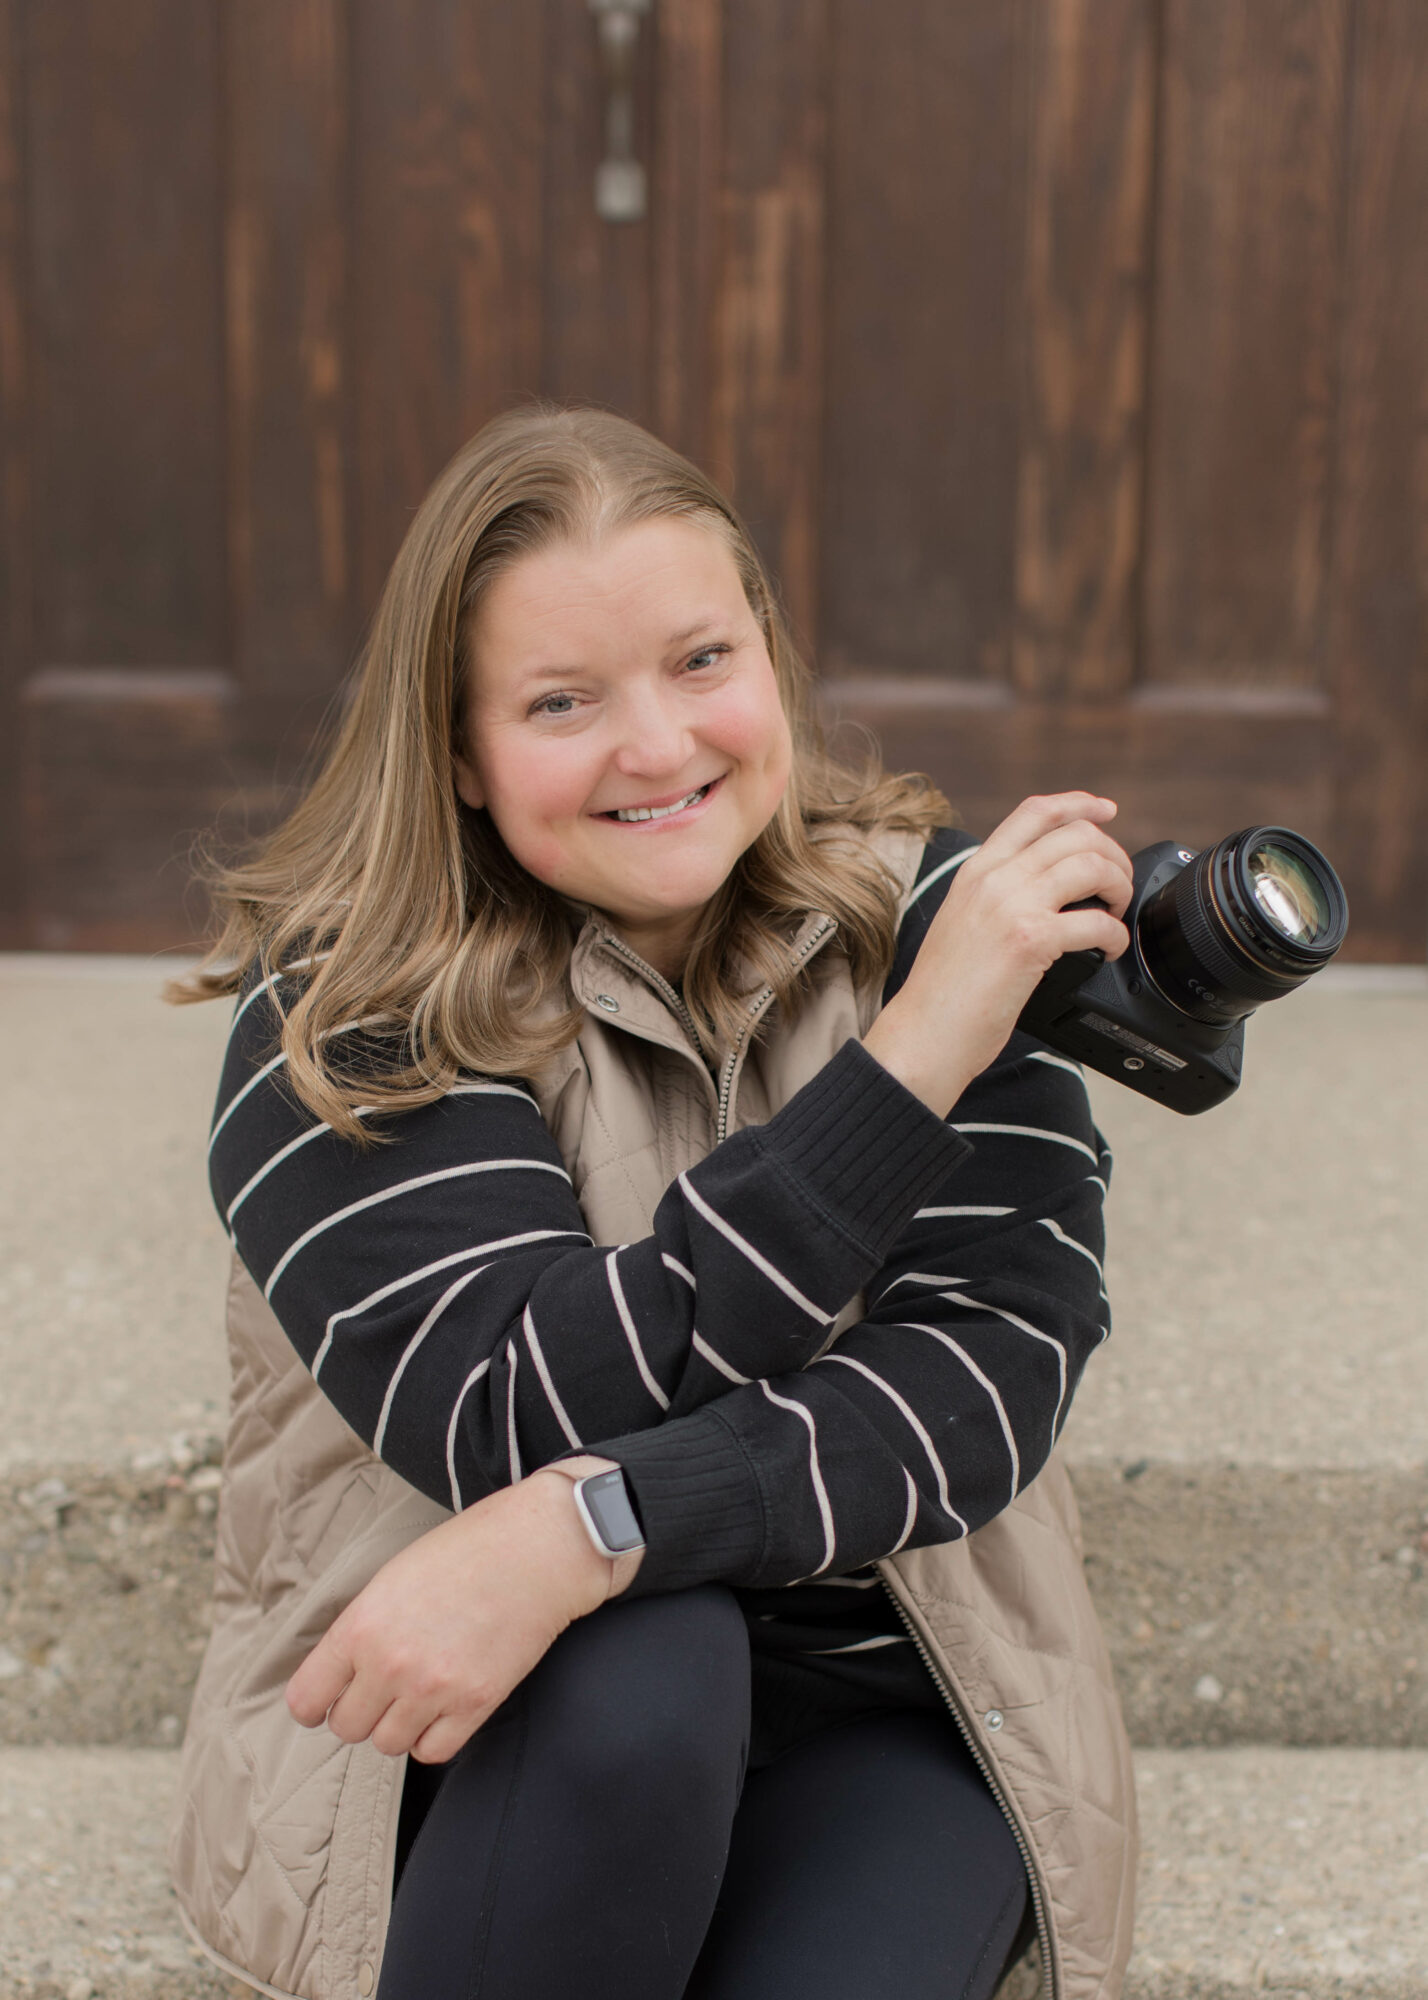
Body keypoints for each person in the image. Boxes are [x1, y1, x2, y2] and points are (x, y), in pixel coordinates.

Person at [166, 403, 1139, 2000]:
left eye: (702, 661)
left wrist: (592, 1524)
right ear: (460, 753)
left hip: (890, 1695)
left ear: (768, 657)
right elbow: (517, 1401)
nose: (660, 745)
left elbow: (981, 1386)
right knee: (650, 1663)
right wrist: (909, 1067)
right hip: (491, 1713)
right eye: (562, 700)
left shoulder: (933, 927)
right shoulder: (348, 1008)